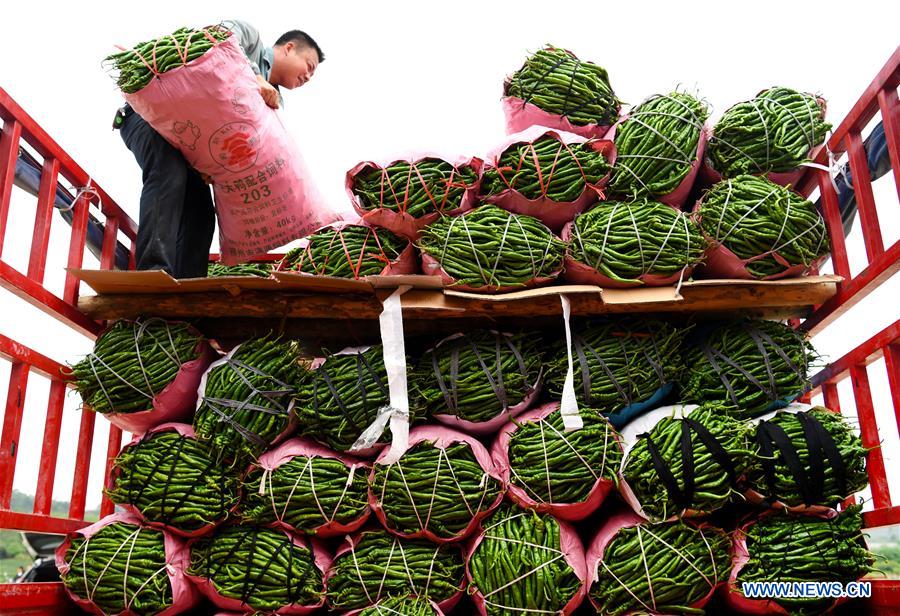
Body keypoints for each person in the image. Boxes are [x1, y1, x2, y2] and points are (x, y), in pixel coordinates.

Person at [114, 20, 325, 278]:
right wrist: (254, 77)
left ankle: (188, 286)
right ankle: (152, 273)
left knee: (201, 210)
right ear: (289, 48)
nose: (308, 77)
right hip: (146, 119)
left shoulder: (274, 100)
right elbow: (219, 37)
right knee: (169, 174)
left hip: (186, 141)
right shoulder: (251, 38)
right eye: (309, 67)